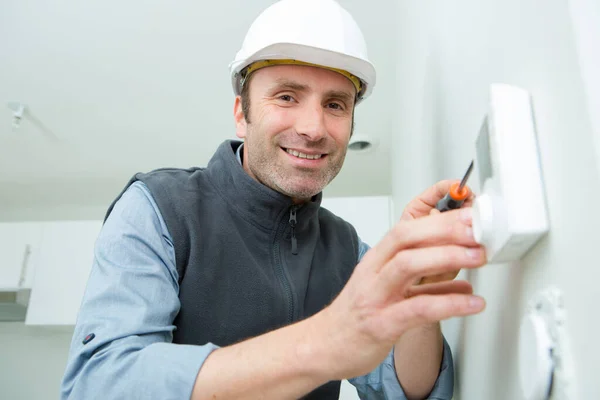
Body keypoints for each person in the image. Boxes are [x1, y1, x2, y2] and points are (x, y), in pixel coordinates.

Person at [61, 0, 487, 399]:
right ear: (241, 114)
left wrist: (417, 294)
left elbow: (405, 388)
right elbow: (100, 382)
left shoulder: (346, 250)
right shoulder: (159, 209)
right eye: (287, 96)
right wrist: (324, 343)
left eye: (335, 104)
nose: (313, 127)